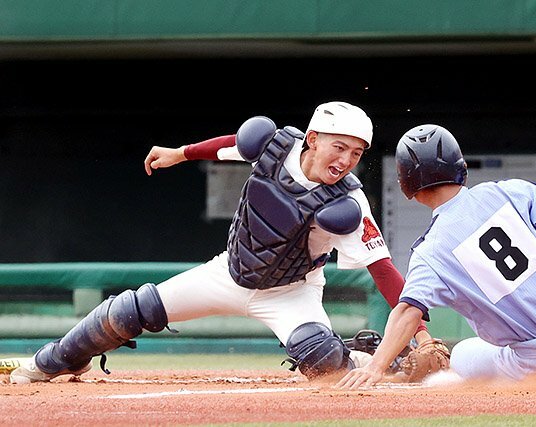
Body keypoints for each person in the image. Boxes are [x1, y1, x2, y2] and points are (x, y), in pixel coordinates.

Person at [4, 101, 434, 384]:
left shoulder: (349, 201)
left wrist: (420, 332)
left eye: (356, 154)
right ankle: (52, 361)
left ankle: (375, 360)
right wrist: (181, 152)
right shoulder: (275, 146)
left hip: (290, 293)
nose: (344, 160)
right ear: (313, 139)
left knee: (320, 358)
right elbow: (232, 146)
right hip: (228, 272)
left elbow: (383, 270)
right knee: (127, 310)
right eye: (338, 147)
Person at [337, 124, 536, 390]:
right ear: (461, 166)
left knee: (463, 356)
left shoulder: (429, 252)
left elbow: (407, 312)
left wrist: (376, 366)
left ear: (408, 186)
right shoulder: (510, 191)